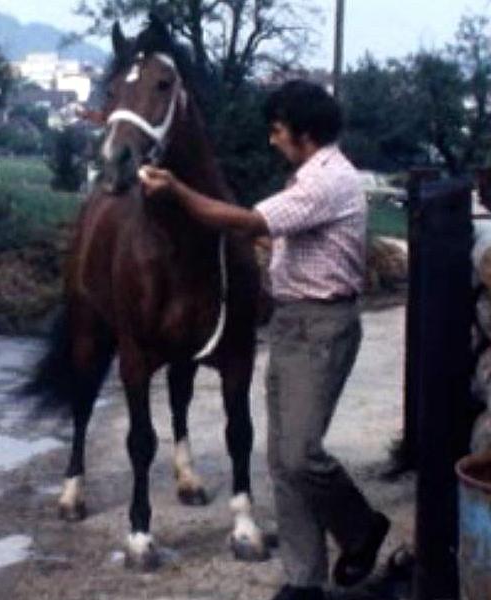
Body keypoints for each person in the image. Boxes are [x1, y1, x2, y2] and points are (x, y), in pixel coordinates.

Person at [139, 80, 390, 600]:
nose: (272, 140)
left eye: (278, 131)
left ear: (305, 133)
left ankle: (362, 527)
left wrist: (180, 192)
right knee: (281, 460)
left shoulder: (328, 181)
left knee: (300, 455)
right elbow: (267, 234)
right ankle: (303, 581)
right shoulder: (308, 178)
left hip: (321, 328)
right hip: (294, 324)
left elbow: (252, 221)